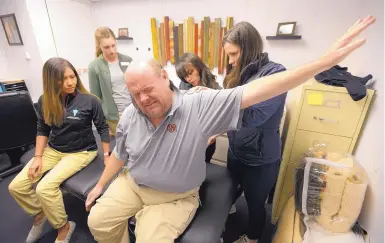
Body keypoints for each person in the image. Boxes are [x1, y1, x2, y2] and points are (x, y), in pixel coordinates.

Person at [84, 16, 375, 243]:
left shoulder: (197, 102)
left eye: (147, 89)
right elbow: (120, 153)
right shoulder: (132, 114)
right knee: (97, 221)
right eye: (135, 94)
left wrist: (320, 63)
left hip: (186, 190)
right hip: (136, 184)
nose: (142, 99)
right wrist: (99, 185)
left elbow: (257, 93)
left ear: (164, 77)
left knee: (250, 203)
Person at [8, 57, 110, 243]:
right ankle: (39, 215)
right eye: (63, 79)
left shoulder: (89, 101)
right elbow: (43, 129)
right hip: (53, 150)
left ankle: (64, 226)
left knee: (44, 189)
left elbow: (102, 127)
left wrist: (106, 154)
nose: (70, 82)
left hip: (81, 151)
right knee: (16, 187)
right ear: (51, 81)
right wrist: (38, 157)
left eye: (72, 77)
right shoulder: (45, 101)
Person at [220, 22, 287, 243]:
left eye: (234, 54)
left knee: (255, 203)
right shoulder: (238, 72)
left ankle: (253, 238)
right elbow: (229, 104)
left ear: (248, 48)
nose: (230, 61)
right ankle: (225, 220)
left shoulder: (275, 73)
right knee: (230, 189)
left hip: (260, 158)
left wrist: (216, 105)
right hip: (237, 149)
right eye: (228, 55)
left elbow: (255, 116)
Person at [176, 52, 221, 163]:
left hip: (206, 139)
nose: (188, 79)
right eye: (184, 77)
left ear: (198, 67)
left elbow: (220, 117)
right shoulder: (183, 86)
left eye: (190, 73)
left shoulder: (214, 88)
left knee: (203, 171)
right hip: (188, 139)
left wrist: (214, 135)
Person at [89, 27, 133, 136]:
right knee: (120, 148)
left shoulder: (127, 60)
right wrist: (101, 122)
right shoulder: (94, 67)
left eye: (113, 45)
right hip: (113, 117)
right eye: (106, 47)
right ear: (99, 46)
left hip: (133, 111)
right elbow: (95, 97)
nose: (112, 50)